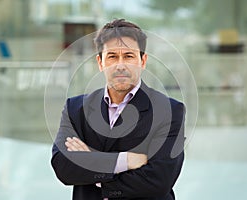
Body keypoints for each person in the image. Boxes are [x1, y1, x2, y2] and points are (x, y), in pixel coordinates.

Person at [51, 19, 185, 200]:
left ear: (143, 61)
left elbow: (158, 181)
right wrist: (124, 161)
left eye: (129, 56)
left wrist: (92, 163)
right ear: (100, 62)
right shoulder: (75, 109)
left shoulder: (169, 111)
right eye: (112, 56)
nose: (120, 65)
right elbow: (63, 168)